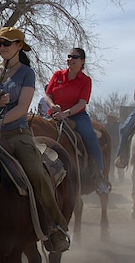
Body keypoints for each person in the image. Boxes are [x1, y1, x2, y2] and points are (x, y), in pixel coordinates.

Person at [0, 27, 71, 253]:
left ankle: (57, 225)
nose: (2, 48)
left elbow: (22, 109)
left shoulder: (27, 73)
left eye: (7, 43)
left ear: (19, 46)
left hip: (16, 133)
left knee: (37, 174)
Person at [44, 47, 111, 194]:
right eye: (69, 56)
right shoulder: (57, 75)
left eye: (74, 57)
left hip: (76, 115)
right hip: (54, 114)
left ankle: (100, 176)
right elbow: (47, 95)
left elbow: (82, 103)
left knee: (91, 137)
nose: (70, 59)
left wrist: (66, 114)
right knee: (37, 132)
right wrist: (52, 106)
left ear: (82, 61)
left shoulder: (85, 80)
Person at [104, 114, 124, 181]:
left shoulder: (119, 125)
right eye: (109, 117)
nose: (109, 119)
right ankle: (111, 177)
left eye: (111, 117)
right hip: (109, 146)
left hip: (118, 146)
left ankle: (121, 178)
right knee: (111, 163)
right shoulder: (106, 125)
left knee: (119, 162)